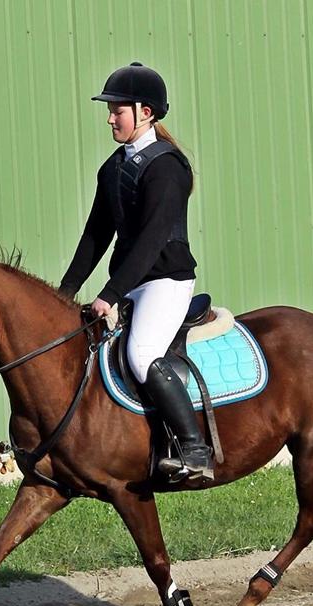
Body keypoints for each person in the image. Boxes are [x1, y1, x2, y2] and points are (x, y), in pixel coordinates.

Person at [59, 61, 214, 483]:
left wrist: (109, 293)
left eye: (118, 109)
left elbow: (151, 241)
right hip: (132, 285)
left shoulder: (167, 166)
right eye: (109, 109)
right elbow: (95, 235)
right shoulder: (112, 168)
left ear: (145, 112)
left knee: (142, 356)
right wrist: (62, 294)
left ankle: (195, 449)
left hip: (165, 282)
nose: (110, 117)